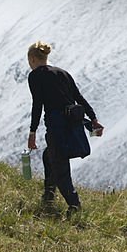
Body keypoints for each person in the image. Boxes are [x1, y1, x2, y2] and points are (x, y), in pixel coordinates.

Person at [26, 42, 103, 217]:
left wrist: (32, 131)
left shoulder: (35, 76)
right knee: (49, 156)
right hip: (73, 122)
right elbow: (78, 97)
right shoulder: (63, 73)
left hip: (56, 126)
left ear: (32, 59)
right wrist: (93, 119)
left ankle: (74, 206)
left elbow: (37, 105)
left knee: (59, 164)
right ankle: (49, 195)